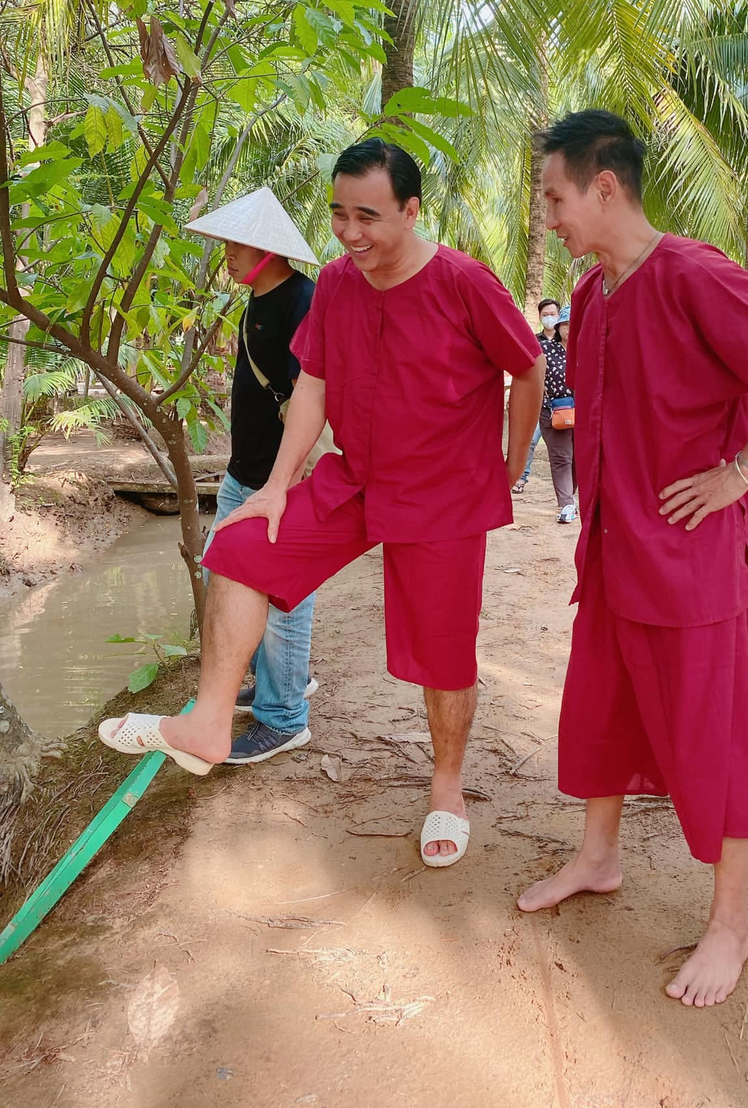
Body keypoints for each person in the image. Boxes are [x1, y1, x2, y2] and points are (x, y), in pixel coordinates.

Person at [101, 141, 544, 868]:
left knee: (443, 653)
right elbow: (314, 383)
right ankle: (209, 726)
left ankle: (446, 785)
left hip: (443, 496)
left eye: (367, 215)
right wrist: (279, 483)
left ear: (411, 208)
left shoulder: (465, 281)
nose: (349, 230)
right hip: (355, 476)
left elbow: (525, 369)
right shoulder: (337, 284)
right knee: (240, 547)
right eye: (338, 213)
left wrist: (511, 466)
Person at [516, 111, 748, 1009]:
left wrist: (743, 471)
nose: (549, 215)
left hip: (693, 561)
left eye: (555, 196)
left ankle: (731, 924)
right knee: (599, 711)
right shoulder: (590, 294)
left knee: (712, 737)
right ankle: (599, 855)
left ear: (603, 187)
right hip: (615, 552)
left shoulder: (693, 272)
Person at [185, 187, 323, 764]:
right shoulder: (257, 301)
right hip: (247, 473)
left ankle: (284, 716)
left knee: (285, 597)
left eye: (237, 245)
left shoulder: (301, 302)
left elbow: (311, 398)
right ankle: (277, 686)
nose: (228, 255)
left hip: (278, 481)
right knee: (241, 580)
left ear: (268, 250)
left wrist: (286, 481)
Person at [513, 299, 577, 523]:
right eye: (566, 324)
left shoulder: (588, 349)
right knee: (561, 458)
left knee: (578, 458)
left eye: (574, 323)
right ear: (559, 327)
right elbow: (532, 379)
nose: (570, 328)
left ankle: (570, 495)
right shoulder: (545, 348)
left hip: (586, 413)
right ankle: (566, 503)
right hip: (554, 411)